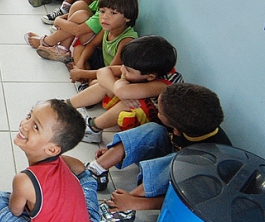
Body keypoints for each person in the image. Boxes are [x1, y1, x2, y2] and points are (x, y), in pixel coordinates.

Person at [0, 99, 103, 222]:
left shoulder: (24, 180)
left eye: (35, 127)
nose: (24, 124)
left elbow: (16, 211)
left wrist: (27, 198)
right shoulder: (62, 160)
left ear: (52, 150)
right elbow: (80, 168)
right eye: (29, 116)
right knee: (86, 178)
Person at [87, 83, 231, 215]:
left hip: (180, 181)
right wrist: (117, 152)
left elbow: (187, 201)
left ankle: (125, 206)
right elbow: (150, 138)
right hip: (171, 157)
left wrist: (137, 203)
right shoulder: (188, 123)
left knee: (178, 162)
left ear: (177, 130)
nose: (156, 109)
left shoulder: (212, 158)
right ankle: (95, 170)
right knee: (153, 129)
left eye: (159, 111)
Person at [68, 35, 183, 143]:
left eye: (128, 70)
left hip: (156, 125)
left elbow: (121, 91)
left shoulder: (164, 84)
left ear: (151, 76)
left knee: (131, 102)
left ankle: (93, 128)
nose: (122, 69)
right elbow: (103, 71)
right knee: (106, 83)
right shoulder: (146, 68)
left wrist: (120, 86)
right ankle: (66, 106)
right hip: (138, 106)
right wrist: (116, 86)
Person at [24, 0, 125, 63]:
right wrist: (66, 18)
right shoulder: (102, 0)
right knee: (79, 5)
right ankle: (62, 48)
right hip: (88, 35)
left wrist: (58, 20)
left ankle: (47, 41)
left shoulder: (106, 10)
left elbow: (78, 30)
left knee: (81, 15)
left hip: (95, 46)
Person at [68, 0, 138, 80]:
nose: (105, 17)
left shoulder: (127, 40)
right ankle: (83, 73)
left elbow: (111, 70)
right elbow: (92, 44)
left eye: (113, 13)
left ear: (128, 17)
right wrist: (80, 63)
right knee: (79, 48)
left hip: (114, 71)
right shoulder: (108, 28)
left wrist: (83, 73)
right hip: (103, 63)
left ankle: (85, 78)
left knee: (103, 82)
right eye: (102, 11)